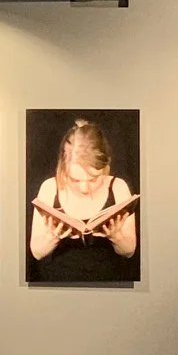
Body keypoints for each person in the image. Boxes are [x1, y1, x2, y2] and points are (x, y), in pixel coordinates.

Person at [29, 117, 138, 285]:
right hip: (58, 285)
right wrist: (53, 237)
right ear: (62, 167)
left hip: (110, 285)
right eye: (75, 179)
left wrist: (117, 237)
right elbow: (37, 253)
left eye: (94, 179)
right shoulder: (49, 188)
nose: (85, 188)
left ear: (106, 167)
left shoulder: (118, 187)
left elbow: (129, 251)